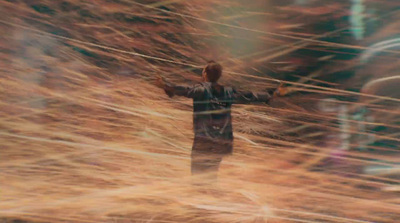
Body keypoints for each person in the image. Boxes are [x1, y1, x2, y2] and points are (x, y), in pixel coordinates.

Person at [156, 61, 287, 181]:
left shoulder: (201, 90)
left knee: (198, 177)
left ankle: (200, 202)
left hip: (204, 141)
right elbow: (250, 96)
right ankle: (209, 200)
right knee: (210, 176)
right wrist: (273, 93)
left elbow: (184, 90)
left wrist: (165, 85)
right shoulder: (228, 93)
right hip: (220, 142)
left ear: (205, 74)